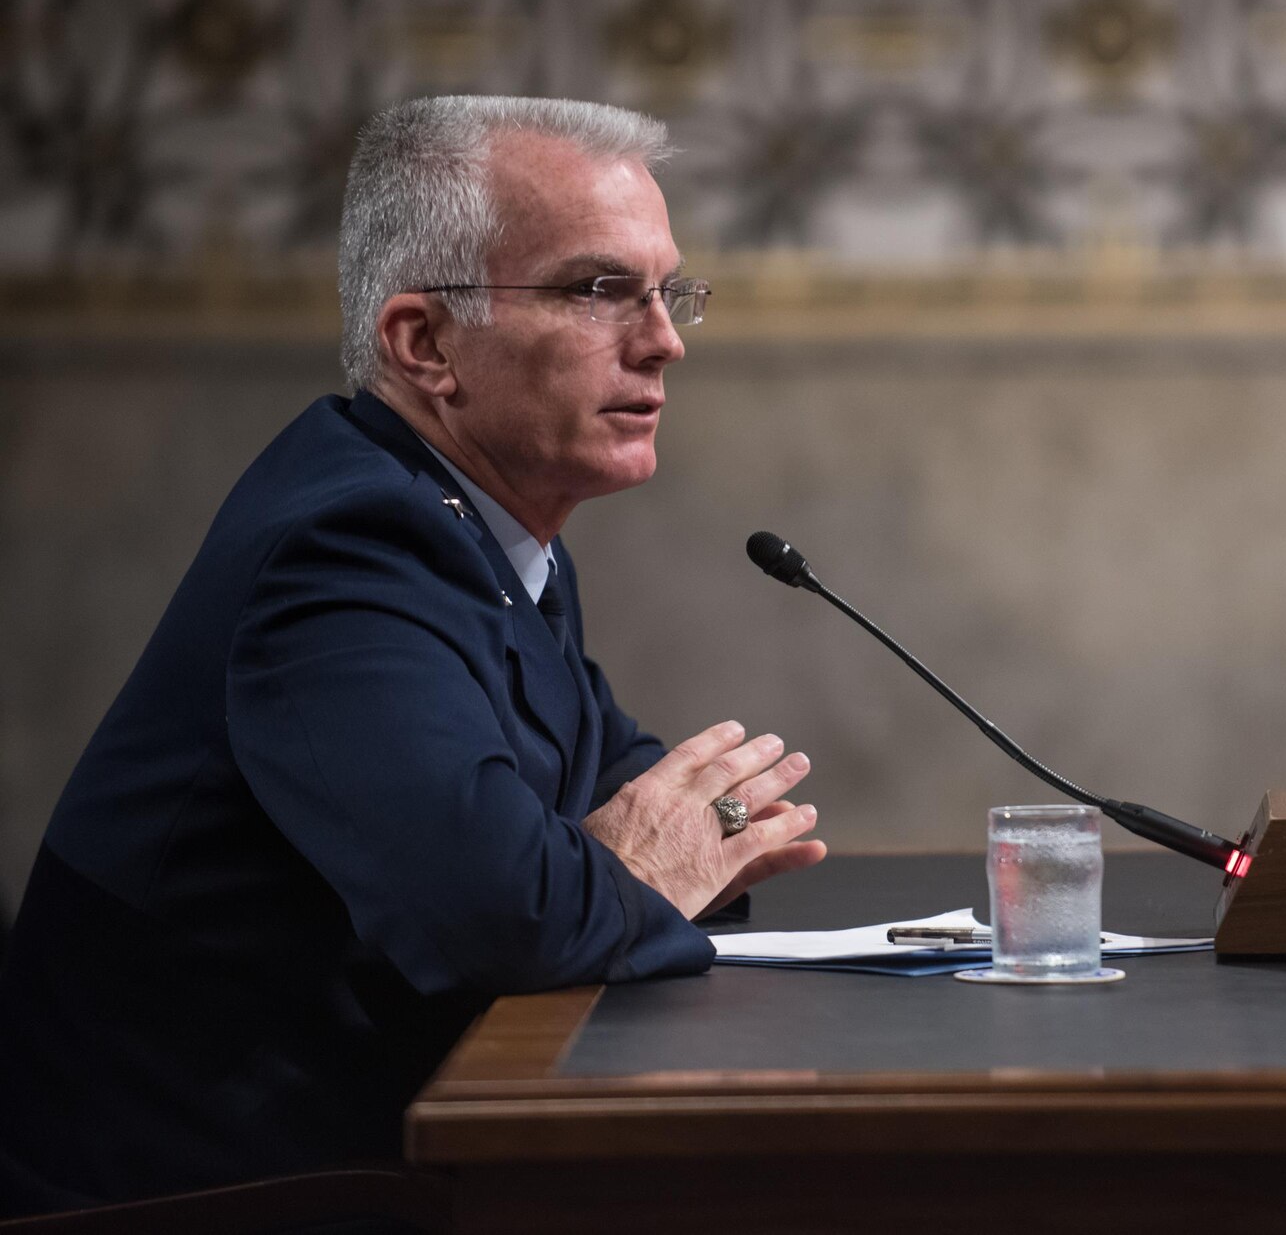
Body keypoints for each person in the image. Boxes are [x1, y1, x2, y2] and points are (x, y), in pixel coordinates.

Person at [0, 96, 827, 1213]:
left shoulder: (480, 525)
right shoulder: (346, 549)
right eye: (598, 290)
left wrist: (633, 861)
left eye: (668, 291)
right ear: (422, 343)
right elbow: (507, 918)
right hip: (208, 1192)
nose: (664, 338)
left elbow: (620, 816)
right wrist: (631, 867)